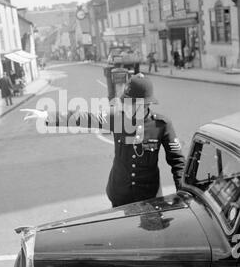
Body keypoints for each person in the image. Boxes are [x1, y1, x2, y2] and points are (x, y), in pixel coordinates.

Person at [21, 75, 186, 208]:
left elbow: (178, 162)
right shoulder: (118, 118)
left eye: (131, 103)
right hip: (120, 195)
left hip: (149, 198)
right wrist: (47, 116)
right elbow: (86, 117)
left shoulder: (162, 125)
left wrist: (183, 195)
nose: (125, 106)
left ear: (144, 104)